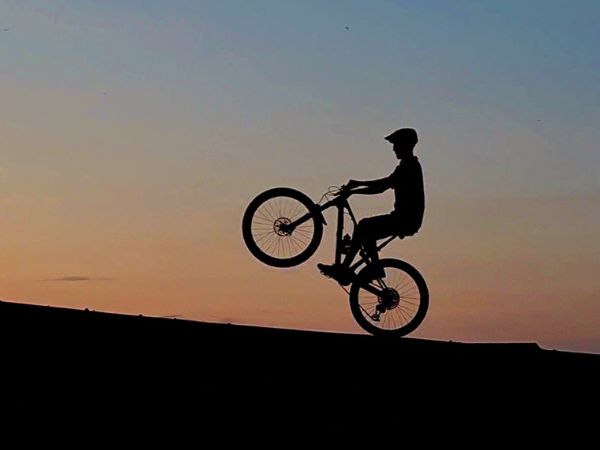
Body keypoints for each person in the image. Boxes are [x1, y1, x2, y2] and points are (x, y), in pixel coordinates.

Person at [317, 127, 425, 285]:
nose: (394, 148)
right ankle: (347, 268)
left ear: (405, 145)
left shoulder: (409, 167)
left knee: (364, 227)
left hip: (405, 220)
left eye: (396, 144)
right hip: (403, 218)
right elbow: (383, 183)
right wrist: (357, 185)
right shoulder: (406, 165)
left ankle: (368, 269)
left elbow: (381, 187)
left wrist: (355, 189)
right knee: (364, 230)